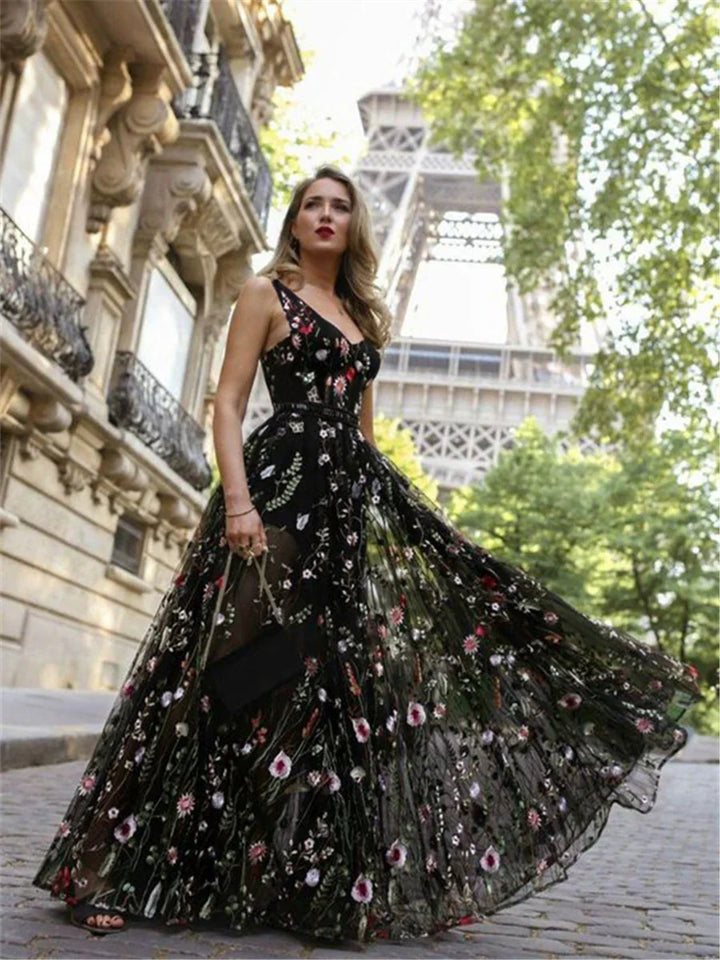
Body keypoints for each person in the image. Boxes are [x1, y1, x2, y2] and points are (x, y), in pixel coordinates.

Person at [33, 164, 700, 942]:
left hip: (343, 516)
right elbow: (228, 403)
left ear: (354, 225)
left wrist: (390, 537)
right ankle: (114, 869)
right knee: (228, 678)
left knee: (317, 696)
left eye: (339, 206)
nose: (324, 215)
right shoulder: (264, 294)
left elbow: (365, 439)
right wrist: (240, 504)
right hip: (277, 504)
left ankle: (293, 884)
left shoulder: (362, 320)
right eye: (312, 204)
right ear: (295, 219)